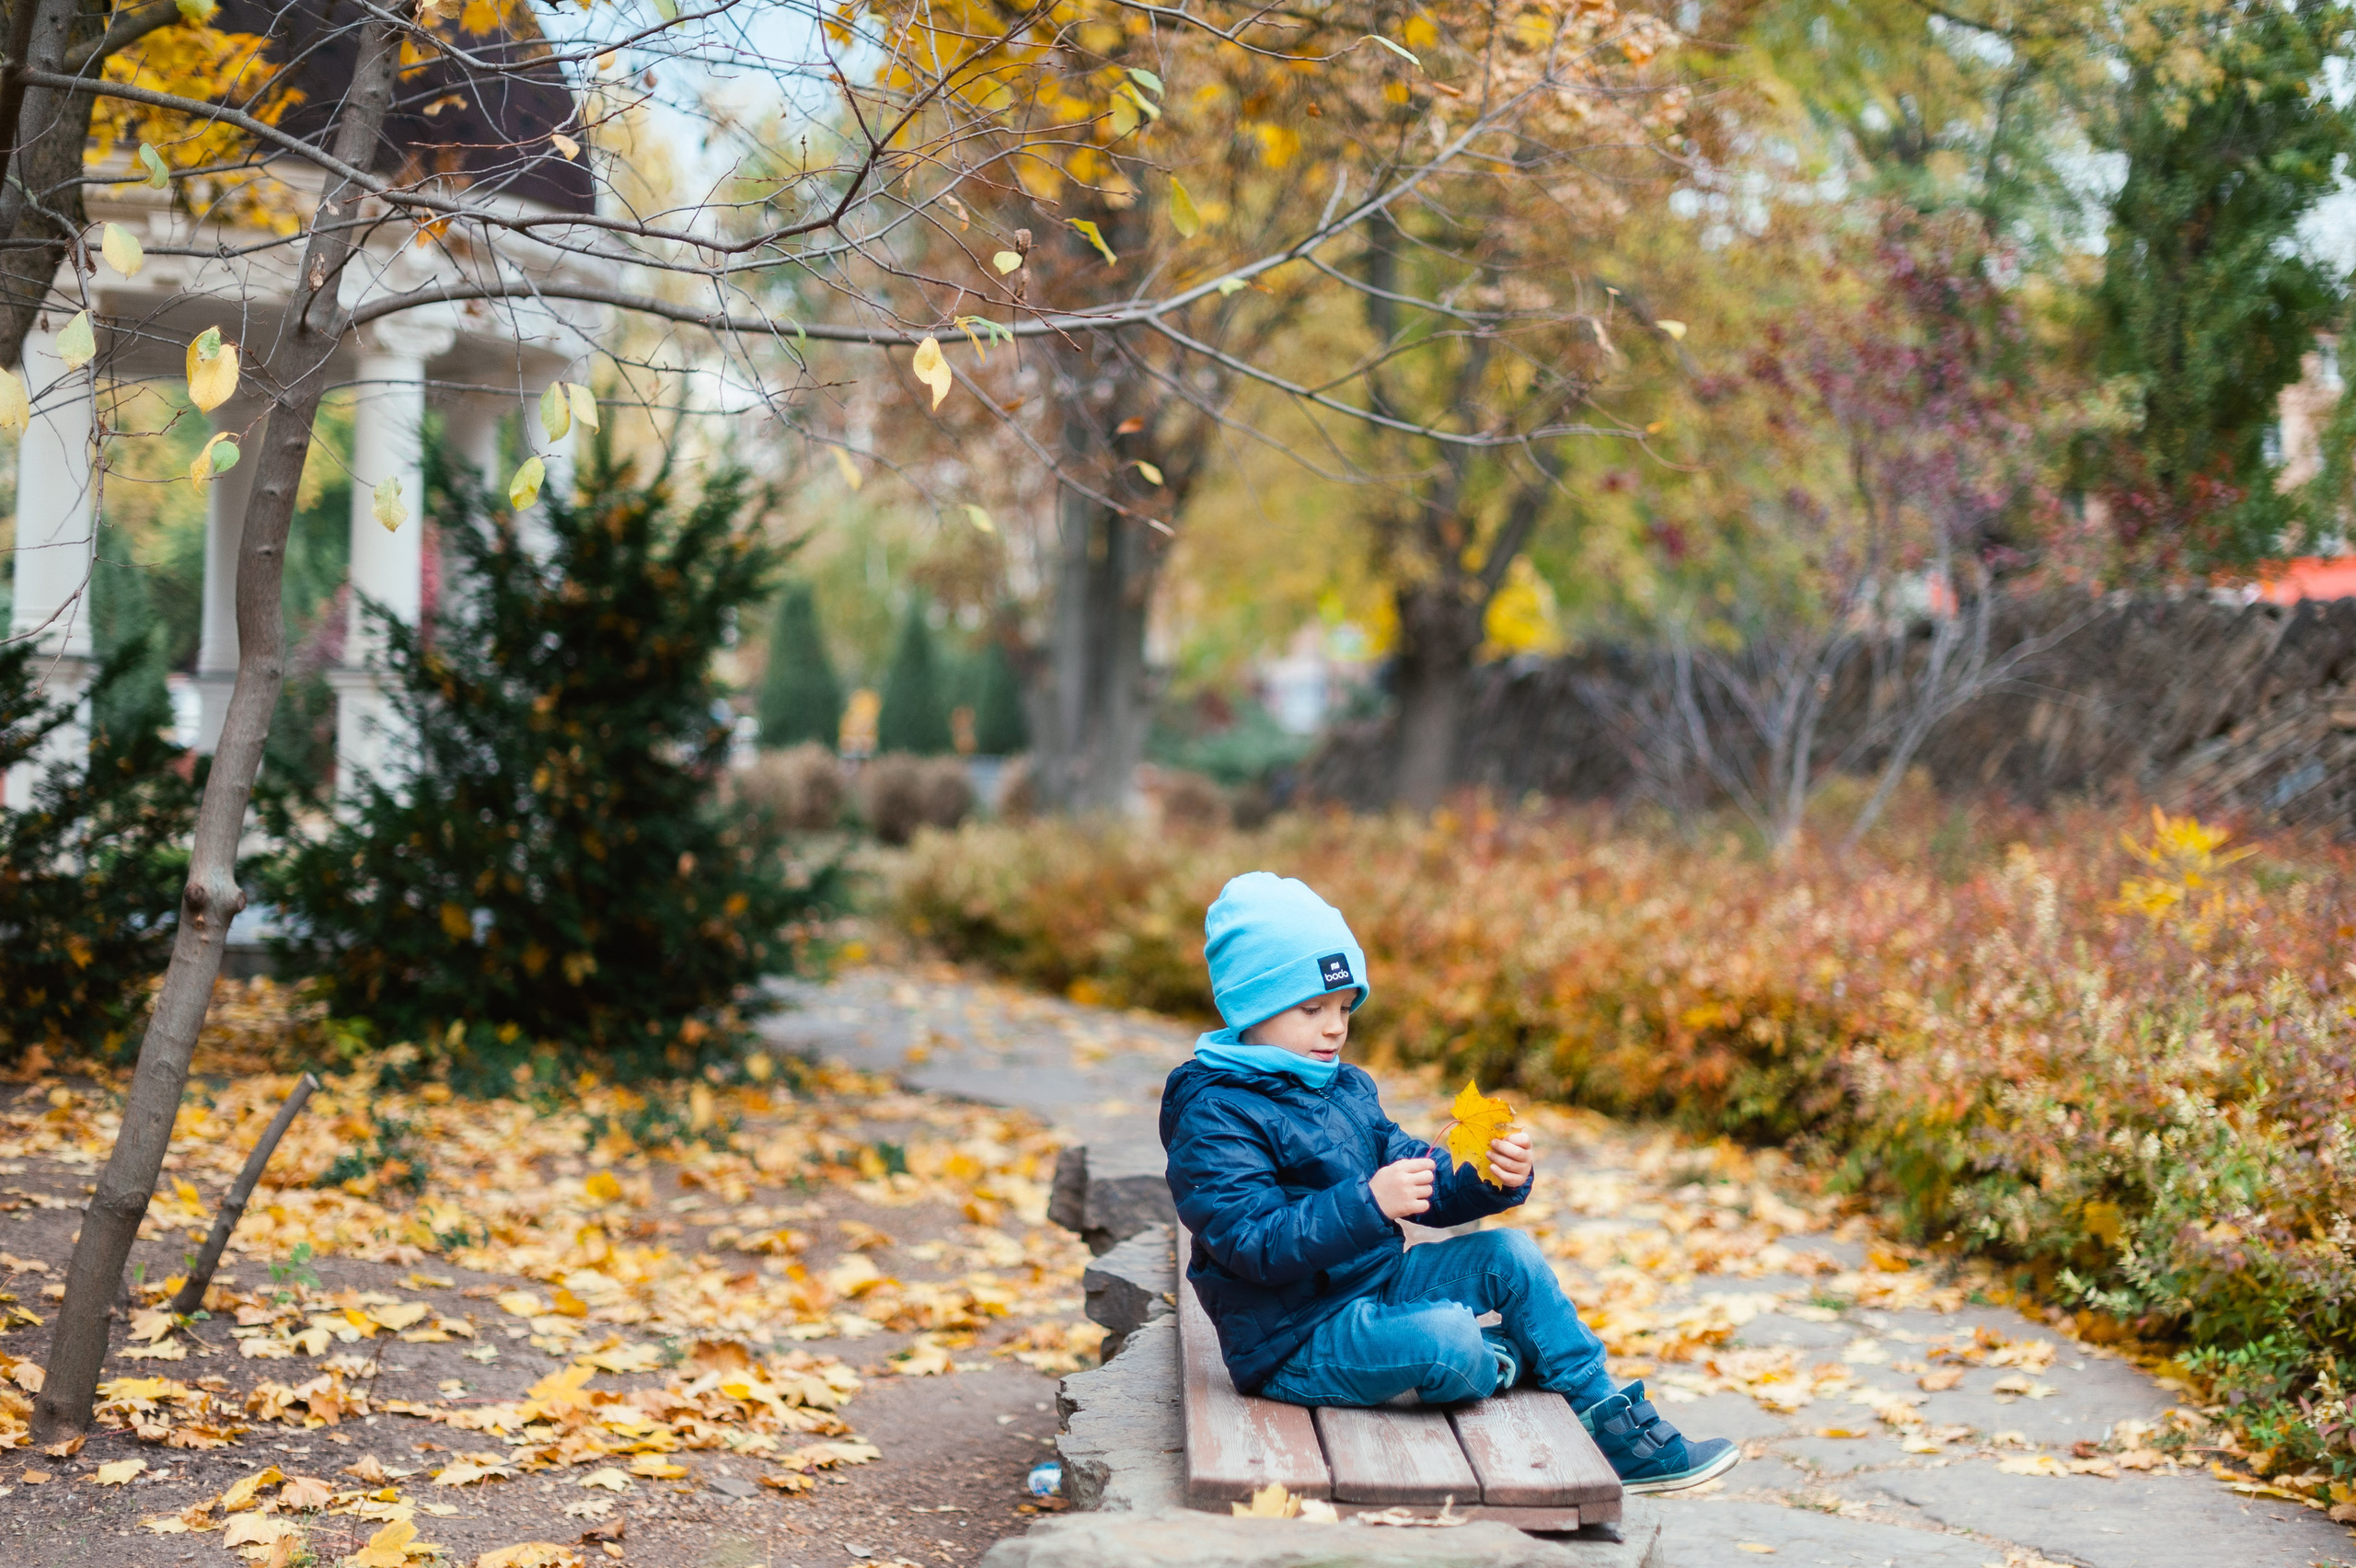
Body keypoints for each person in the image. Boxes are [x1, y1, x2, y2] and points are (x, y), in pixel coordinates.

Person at [1160, 870, 1738, 1493]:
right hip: (1293, 1340)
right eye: (1312, 1009)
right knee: (1449, 1340)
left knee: (1509, 1256)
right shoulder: (1214, 1113)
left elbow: (1416, 1169)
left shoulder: (1345, 1088)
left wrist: (1487, 1177)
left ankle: (1607, 1420)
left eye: (1345, 1007)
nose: (1335, 1028)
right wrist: (1369, 1202)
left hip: (1377, 1285)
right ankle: (1499, 1356)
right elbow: (1251, 1243)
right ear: (1252, 1007)